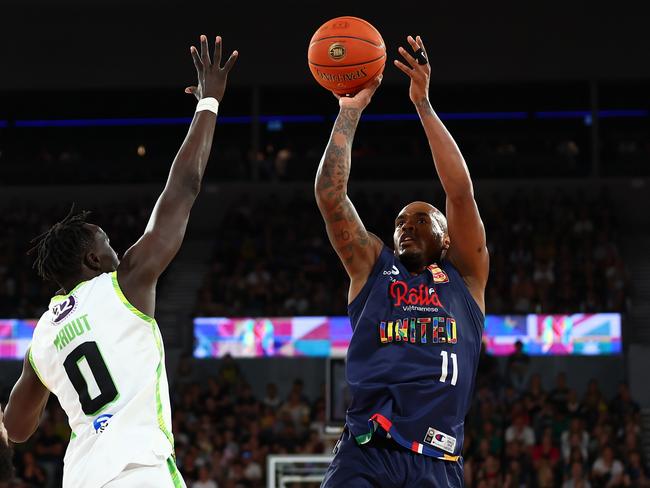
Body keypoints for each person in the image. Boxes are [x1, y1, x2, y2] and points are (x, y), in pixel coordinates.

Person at [0, 35, 238, 488]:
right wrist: (209, 101)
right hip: (140, 471)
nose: (116, 248)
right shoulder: (123, 283)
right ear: (93, 258)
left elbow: (16, 428)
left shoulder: (43, 337)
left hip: (83, 477)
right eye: (107, 241)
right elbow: (184, 188)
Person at [316, 35, 488, 487]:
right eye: (399, 222)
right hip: (367, 451)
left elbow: (459, 192)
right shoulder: (373, 267)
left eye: (420, 219)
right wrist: (349, 112)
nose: (405, 226)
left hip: (437, 460)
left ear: (446, 238)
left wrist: (423, 106)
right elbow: (330, 195)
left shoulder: (464, 277)